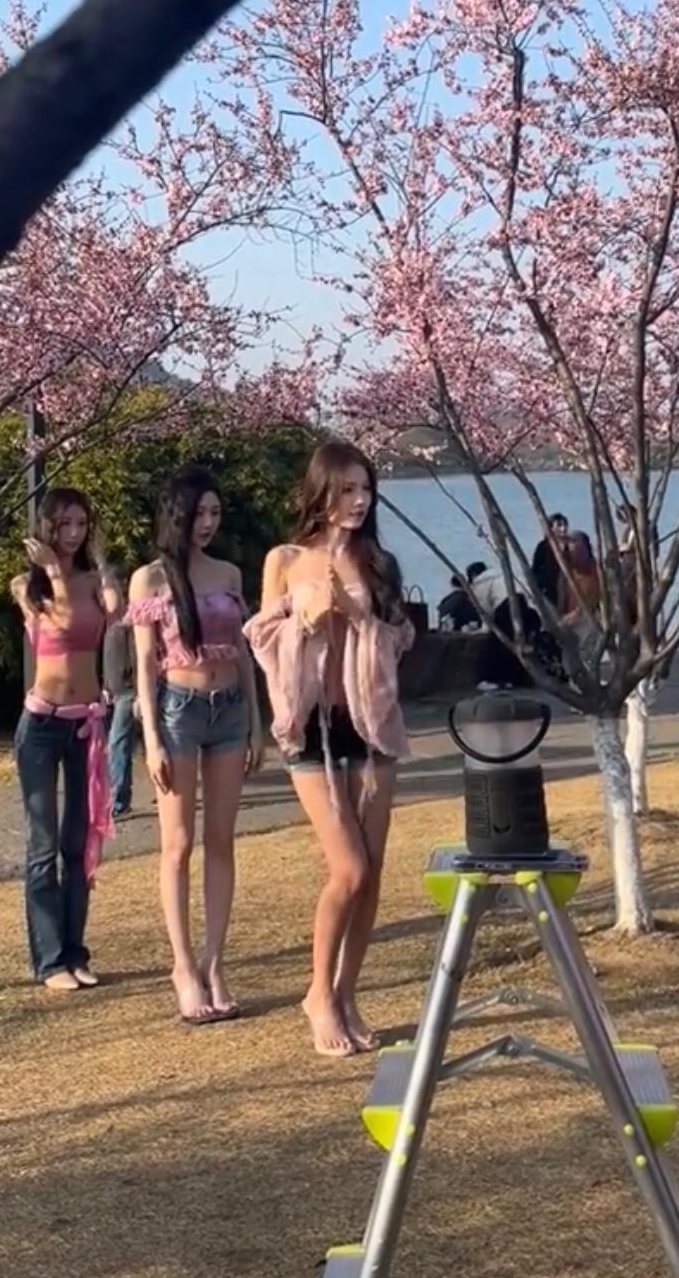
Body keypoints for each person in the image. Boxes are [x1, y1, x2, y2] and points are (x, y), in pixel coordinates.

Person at [246, 440, 413, 1059]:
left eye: (366, 489)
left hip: (369, 725)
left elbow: (401, 638)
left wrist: (358, 617)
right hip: (310, 726)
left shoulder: (379, 563)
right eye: (347, 490)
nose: (359, 501)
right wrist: (305, 622)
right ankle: (318, 992)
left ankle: (346, 993)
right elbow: (262, 639)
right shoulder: (286, 559)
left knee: (374, 871)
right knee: (349, 869)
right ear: (321, 492)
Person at [127, 467, 262, 1025]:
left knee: (221, 840)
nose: (208, 523)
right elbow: (143, 664)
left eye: (215, 513)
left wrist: (256, 722)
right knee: (178, 843)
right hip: (178, 712)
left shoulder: (228, 573)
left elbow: (245, 652)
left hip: (229, 710)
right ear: (177, 514)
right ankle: (183, 966)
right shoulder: (150, 579)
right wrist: (151, 739)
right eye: (199, 513)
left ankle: (215, 963)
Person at [11, 488, 121, 992]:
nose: (73, 534)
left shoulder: (95, 582)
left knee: (79, 845)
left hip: (85, 725)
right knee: (44, 845)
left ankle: (75, 953)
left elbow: (114, 615)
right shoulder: (27, 587)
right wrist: (54, 572)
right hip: (41, 725)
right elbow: (62, 622)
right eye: (64, 525)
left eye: (81, 524)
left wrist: (101, 571)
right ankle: (50, 961)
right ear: (47, 529)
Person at [103, 579, 140, 820]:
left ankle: (118, 800)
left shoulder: (129, 625)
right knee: (119, 744)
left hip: (130, 693)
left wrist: (139, 692)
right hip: (115, 693)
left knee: (118, 743)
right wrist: (105, 687)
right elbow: (106, 662)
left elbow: (139, 658)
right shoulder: (107, 626)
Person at [532, 513, 570, 610]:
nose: (563, 528)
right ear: (551, 528)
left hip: (569, 590)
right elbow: (535, 570)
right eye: (559, 525)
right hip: (549, 590)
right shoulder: (543, 546)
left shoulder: (571, 546)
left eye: (565, 525)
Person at [438, 562, 486, 631]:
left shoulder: (445, 601)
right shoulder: (471, 599)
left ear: (451, 584)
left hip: (446, 632)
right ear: (466, 583)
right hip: (466, 632)